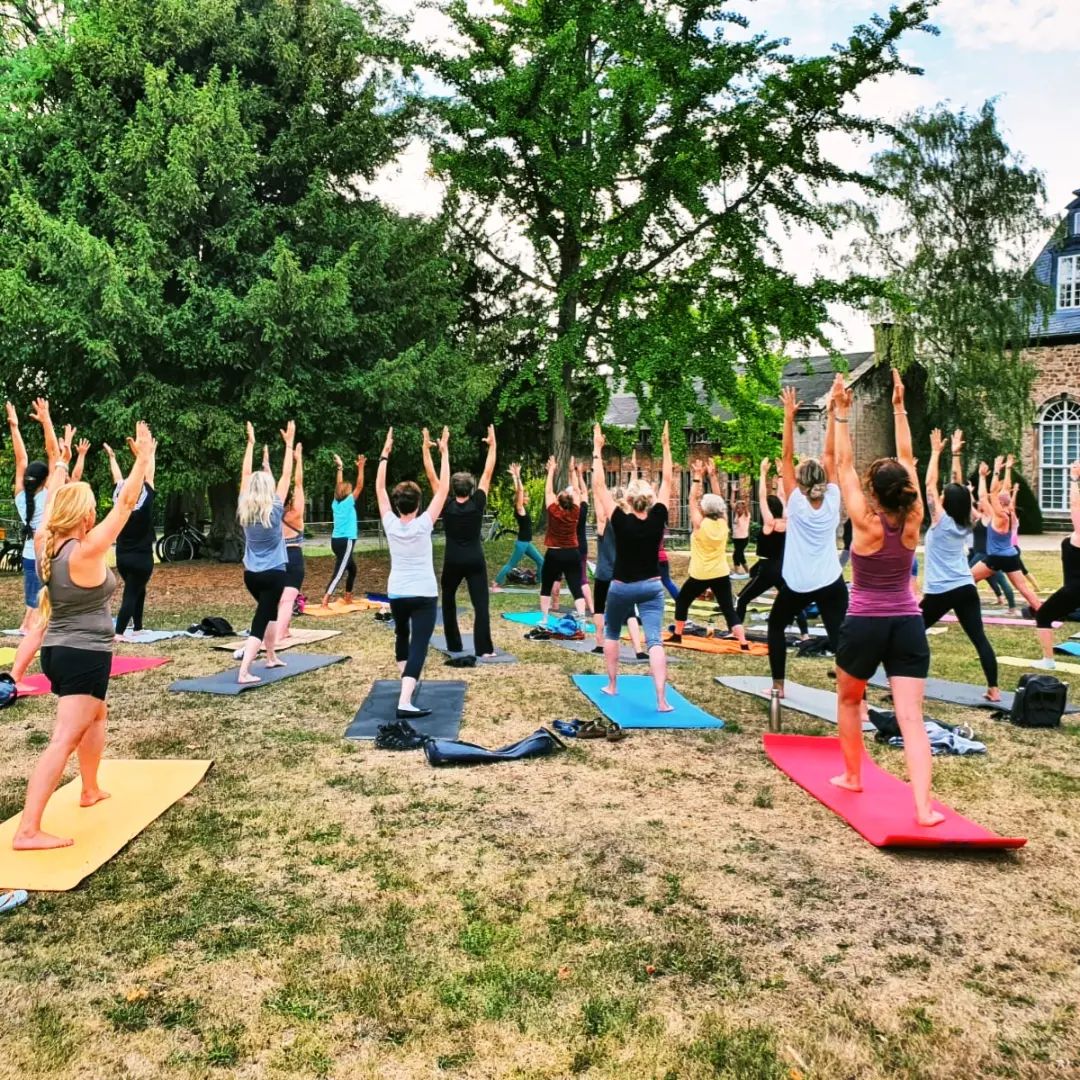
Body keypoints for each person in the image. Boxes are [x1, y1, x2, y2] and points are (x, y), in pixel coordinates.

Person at [13, 418, 154, 851]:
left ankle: (89, 788)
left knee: (96, 716)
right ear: (87, 514)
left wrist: (59, 463)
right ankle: (28, 830)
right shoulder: (87, 548)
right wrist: (144, 457)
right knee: (64, 737)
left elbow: (55, 492)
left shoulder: (45, 541)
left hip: (64, 650)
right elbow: (127, 502)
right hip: (81, 653)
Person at [830, 370, 943, 828]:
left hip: (865, 623)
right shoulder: (914, 516)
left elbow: (842, 466)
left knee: (850, 700)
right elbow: (908, 457)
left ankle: (853, 776)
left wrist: (841, 413)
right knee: (912, 719)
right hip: (908, 624)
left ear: (874, 492)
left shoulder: (865, 519)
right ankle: (923, 807)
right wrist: (899, 407)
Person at [766, 385, 848, 695]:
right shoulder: (833, 496)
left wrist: (788, 417)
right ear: (822, 481)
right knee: (841, 638)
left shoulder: (796, 502)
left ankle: (778, 686)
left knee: (776, 626)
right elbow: (830, 455)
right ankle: (857, 696)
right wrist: (831, 415)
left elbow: (786, 455)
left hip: (799, 582)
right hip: (830, 579)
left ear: (799, 483)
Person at [591, 421, 674, 712]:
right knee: (655, 641)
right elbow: (667, 482)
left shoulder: (620, 519)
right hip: (651, 587)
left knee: (612, 633)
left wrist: (597, 449)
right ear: (650, 501)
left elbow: (599, 486)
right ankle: (661, 700)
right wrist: (665, 446)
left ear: (627, 499)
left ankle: (612, 685)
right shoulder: (657, 518)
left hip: (622, 587)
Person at [920, 428, 1000, 701]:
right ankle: (994, 690)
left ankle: (910, 682)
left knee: (913, 634)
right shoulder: (967, 520)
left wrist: (936, 453)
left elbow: (930, 485)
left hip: (940, 591)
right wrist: (955, 454)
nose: (939, 495)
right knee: (979, 638)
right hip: (965, 586)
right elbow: (960, 489)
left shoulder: (941, 521)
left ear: (946, 501)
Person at [376, 426, 451, 716]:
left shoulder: (390, 523)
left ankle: (404, 683)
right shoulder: (423, 524)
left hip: (397, 593)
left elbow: (379, 488)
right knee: (419, 643)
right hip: (423, 593)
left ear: (397, 504)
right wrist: (443, 452)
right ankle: (405, 700)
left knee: (401, 634)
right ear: (418, 504)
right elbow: (444, 488)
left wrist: (385, 454)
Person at [424, 424, 498, 659]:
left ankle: (454, 645)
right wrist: (493, 445)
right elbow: (488, 473)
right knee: (481, 605)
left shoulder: (445, 504)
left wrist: (428, 449)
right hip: (475, 559)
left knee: (448, 601)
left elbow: (431, 476)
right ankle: (484, 649)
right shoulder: (478, 502)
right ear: (471, 488)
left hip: (453, 560)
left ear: (453, 488)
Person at [237, 421, 295, 685]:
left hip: (252, 575)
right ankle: (244, 670)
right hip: (273, 574)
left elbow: (245, 472)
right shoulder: (275, 507)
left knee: (270, 612)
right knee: (261, 619)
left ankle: (270, 656)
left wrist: (250, 443)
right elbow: (286, 475)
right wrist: (289, 445)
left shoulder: (244, 506)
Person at [670, 459, 749, 648]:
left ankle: (677, 635)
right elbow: (720, 499)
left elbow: (691, 500)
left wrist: (697, 477)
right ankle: (744, 642)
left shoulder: (700, 524)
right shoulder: (723, 523)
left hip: (700, 573)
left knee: (682, 601)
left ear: (704, 509)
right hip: (720, 572)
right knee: (728, 609)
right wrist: (713, 476)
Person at [731, 459, 810, 640]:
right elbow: (783, 498)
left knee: (742, 599)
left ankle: (735, 632)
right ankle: (805, 635)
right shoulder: (787, 522)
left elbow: (762, 498)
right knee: (794, 602)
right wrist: (781, 475)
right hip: (783, 568)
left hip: (767, 569)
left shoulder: (770, 524)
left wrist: (763, 473)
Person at [970, 455, 1041, 615]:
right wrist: (1007, 470)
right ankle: (1042, 612)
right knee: (1023, 588)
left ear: (999, 502)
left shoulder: (998, 516)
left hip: (996, 558)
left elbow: (988, 494)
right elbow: (1000, 491)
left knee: (968, 579)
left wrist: (994, 472)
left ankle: (968, 609)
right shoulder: (1011, 514)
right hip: (1011, 555)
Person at [7, 400, 56, 634]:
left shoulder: (19, 497)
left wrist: (15, 428)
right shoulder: (47, 496)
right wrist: (46, 422)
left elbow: (20, 460)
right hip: (43, 554)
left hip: (29, 553)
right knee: (41, 597)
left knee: (33, 599)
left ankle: (26, 626)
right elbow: (53, 453)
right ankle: (31, 628)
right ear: (45, 481)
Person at [104, 437, 157, 637]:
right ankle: (119, 632)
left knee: (137, 589)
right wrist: (149, 454)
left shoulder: (121, 508)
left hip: (123, 558)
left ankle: (138, 627)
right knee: (132, 593)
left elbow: (117, 479)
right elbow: (149, 475)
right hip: (142, 559)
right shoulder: (144, 506)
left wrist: (112, 457)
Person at [590, 473, 646, 658]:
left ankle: (599, 644)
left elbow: (598, 494)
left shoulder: (603, 521)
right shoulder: (628, 522)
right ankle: (638, 649)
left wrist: (595, 474)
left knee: (599, 608)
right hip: (622, 574)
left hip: (604, 574)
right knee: (629, 612)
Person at [1033, 461, 1080, 669]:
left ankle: (1048, 661)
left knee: (1043, 615)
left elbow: (1075, 506)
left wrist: (1074, 479)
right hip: (1074, 590)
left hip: (1075, 590)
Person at [538, 457, 589, 623]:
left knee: (546, 586)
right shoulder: (575, 511)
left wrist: (551, 470)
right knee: (576, 586)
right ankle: (581, 618)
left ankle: (545, 618)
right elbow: (577, 490)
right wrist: (573, 471)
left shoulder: (553, 511)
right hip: (572, 553)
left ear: (558, 501)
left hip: (554, 553)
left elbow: (548, 492)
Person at [321, 452, 364, 608]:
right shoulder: (348, 502)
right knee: (339, 572)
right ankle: (325, 600)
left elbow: (338, 486)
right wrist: (361, 467)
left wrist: (340, 467)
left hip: (335, 541)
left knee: (352, 569)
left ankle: (348, 596)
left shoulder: (335, 503)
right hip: (346, 541)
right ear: (347, 493)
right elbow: (360, 486)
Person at [491, 463, 544, 590]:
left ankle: (540, 581)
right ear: (521, 499)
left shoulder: (521, 507)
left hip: (526, 543)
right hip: (522, 543)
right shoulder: (519, 509)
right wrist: (518, 475)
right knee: (511, 564)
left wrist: (514, 477)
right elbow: (519, 491)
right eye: (525, 496)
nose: (527, 497)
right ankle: (496, 583)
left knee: (541, 561)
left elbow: (518, 491)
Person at [277, 443, 306, 642]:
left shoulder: (273, 513)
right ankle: (279, 635)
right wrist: (299, 460)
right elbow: (298, 484)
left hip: (277, 556)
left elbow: (287, 485)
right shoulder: (296, 513)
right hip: (294, 555)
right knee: (288, 600)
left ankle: (284, 629)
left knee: (280, 598)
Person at [968, 504, 1018, 614]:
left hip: (984, 554)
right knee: (992, 578)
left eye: (982, 503)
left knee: (967, 577)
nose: (980, 504)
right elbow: (971, 507)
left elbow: (981, 500)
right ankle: (1006, 602)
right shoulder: (981, 517)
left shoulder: (990, 518)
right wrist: (968, 494)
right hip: (981, 554)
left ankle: (1012, 607)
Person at [731, 496, 750, 578]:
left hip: (743, 539)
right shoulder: (736, 514)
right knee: (740, 555)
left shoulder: (746, 515)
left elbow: (745, 506)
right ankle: (748, 572)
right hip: (736, 538)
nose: (738, 509)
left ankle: (737, 572)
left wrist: (743, 501)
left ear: (743, 508)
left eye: (740, 508)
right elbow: (731, 503)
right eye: (737, 508)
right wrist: (733, 492)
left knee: (736, 555)